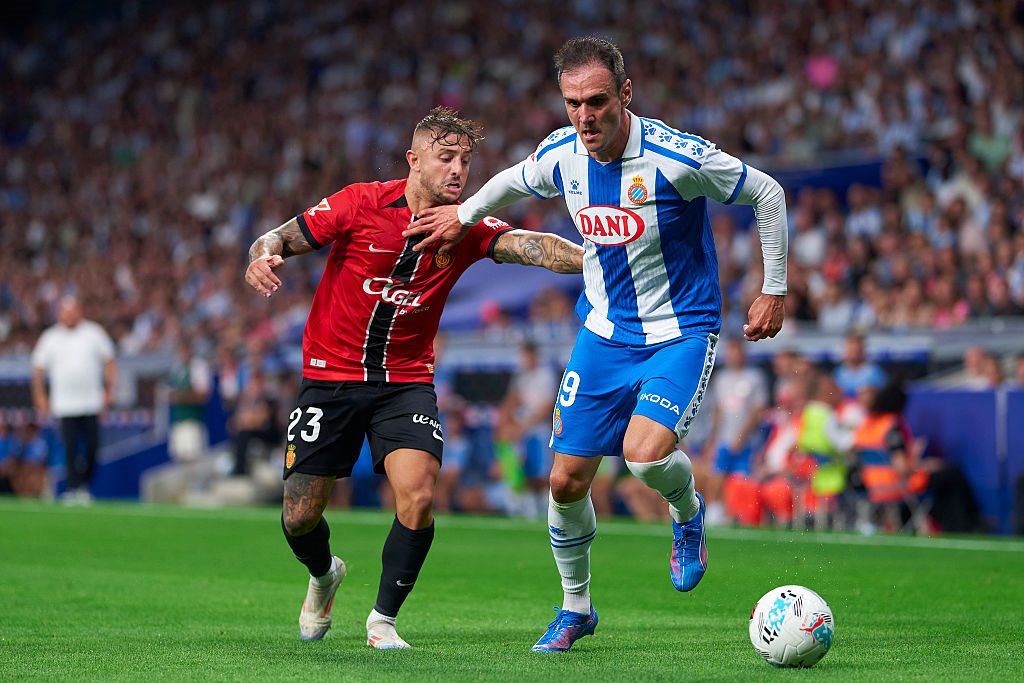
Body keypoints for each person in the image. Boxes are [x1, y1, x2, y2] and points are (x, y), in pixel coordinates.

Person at [407, 37, 788, 652]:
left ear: (625, 94)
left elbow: (767, 192)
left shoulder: (675, 157)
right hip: (604, 334)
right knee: (564, 482)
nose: (585, 116)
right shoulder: (562, 154)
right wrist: (465, 214)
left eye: (598, 101)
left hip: (680, 331)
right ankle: (575, 608)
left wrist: (774, 289)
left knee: (645, 457)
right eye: (573, 103)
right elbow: (511, 181)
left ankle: (688, 513)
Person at [243, 107, 583, 649]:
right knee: (299, 517)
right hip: (330, 378)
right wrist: (261, 256)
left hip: (405, 382)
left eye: (465, 160)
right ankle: (324, 574)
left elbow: (530, 246)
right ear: (414, 160)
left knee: (420, 496)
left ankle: (382, 621)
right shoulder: (359, 203)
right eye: (446, 157)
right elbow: (279, 237)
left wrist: (596, 259)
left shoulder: (466, 224)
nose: (458, 170)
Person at [30, 296, 117, 503]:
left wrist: (109, 390)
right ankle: (73, 487)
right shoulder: (50, 337)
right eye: (65, 312)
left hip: (91, 402)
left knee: (92, 447)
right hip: (64, 404)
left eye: (72, 311)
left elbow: (110, 362)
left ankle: (84, 484)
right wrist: (40, 396)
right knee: (69, 447)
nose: (69, 316)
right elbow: (38, 369)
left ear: (80, 311)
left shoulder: (94, 333)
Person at [833, 333, 886, 399]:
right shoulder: (837, 373)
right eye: (851, 349)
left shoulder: (875, 372)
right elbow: (831, 394)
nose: (854, 352)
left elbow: (882, 395)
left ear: (863, 350)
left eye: (857, 349)